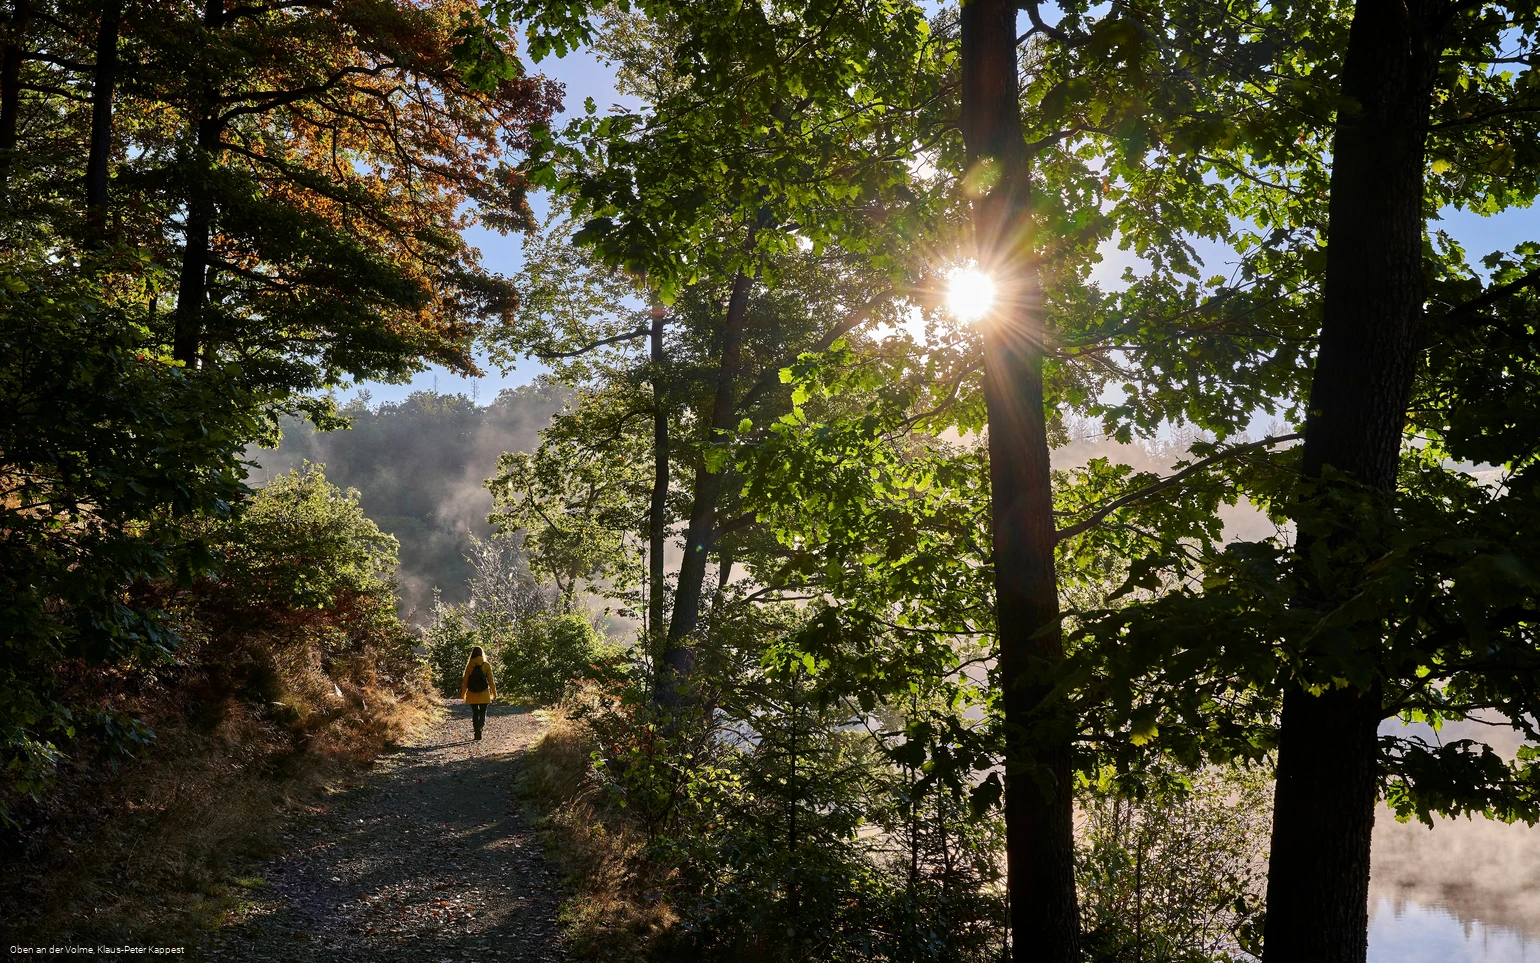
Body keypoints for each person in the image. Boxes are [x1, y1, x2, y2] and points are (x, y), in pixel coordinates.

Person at [460, 645, 496, 740]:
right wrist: (494, 693)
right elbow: (491, 681)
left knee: (475, 713)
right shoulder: (486, 665)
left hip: (472, 694)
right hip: (484, 693)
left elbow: (465, 682)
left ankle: (477, 732)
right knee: (483, 712)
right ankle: (480, 726)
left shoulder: (469, 666)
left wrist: (463, 693)